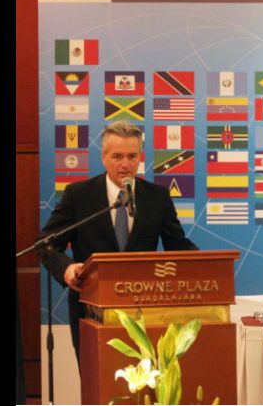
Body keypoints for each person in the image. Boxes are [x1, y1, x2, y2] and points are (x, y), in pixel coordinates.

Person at [37, 121, 198, 361]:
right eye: (117, 156)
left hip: (145, 307)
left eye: (132, 156)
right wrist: (67, 268)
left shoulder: (157, 197)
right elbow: (46, 244)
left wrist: (208, 263)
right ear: (103, 157)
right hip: (91, 308)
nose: (125, 164)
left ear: (140, 157)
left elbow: (177, 244)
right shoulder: (79, 195)